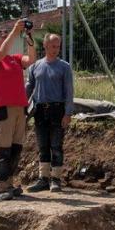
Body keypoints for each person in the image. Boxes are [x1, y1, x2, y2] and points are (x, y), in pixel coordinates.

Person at [0, 19, 37, 201]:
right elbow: (2, 52)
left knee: (16, 148)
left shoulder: (14, 59)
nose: (6, 38)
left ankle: (10, 183)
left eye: (7, 36)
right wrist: (15, 32)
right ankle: (0, 187)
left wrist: (29, 38)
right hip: (3, 107)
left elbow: (31, 60)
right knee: (4, 148)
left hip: (19, 107)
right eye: (2, 37)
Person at [25, 33, 74, 192]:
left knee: (56, 146)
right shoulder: (35, 66)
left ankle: (56, 180)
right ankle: (43, 179)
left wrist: (68, 113)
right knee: (43, 146)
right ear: (45, 46)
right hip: (40, 111)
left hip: (57, 111)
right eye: (53, 46)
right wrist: (21, 105)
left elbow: (69, 92)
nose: (56, 49)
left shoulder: (64, 67)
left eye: (58, 46)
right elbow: (28, 88)